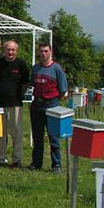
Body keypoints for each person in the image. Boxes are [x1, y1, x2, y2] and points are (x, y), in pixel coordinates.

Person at [28, 43, 68, 173]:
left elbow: (62, 89)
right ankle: (36, 163)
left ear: (50, 52)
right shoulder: (35, 68)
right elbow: (32, 84)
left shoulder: (57, 69)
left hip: (52, 105)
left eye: (46, 51)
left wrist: (53, 99)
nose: (43, 54)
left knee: (53, 137)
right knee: (37, 136)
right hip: (37, 105)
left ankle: (56, 164)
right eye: (41, 51)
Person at [0, 41, 30, 168]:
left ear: (16, 51)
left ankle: (17, 160)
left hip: (15, 104)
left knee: (16, 133)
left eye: (13, 50)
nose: (10, 52)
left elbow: (26, 81)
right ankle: (0, 158)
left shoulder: (21, 64)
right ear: (4, 50)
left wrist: (21, 95)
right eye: (8, 50)